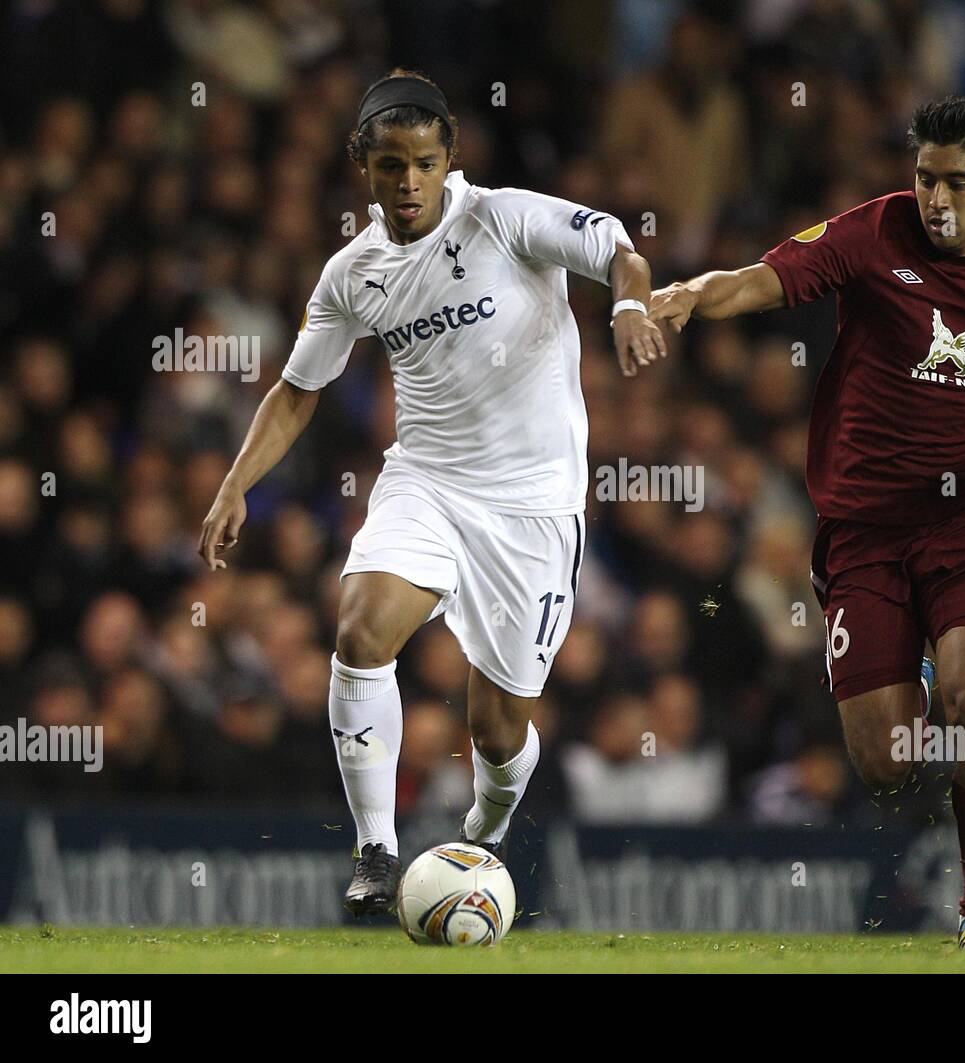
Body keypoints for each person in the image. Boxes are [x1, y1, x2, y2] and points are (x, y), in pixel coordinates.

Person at [650, 94, 965, 950]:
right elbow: (762, 278)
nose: (936, 199)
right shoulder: (871, 232)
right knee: (888, 762)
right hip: (863, 531)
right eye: (925, 177)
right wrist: (689, 294)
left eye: (958, 183)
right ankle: (919, 674)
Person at [198, 69, 665, 915]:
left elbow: (619, 253)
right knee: (361, 627)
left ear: (450, 156)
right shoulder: (353, 272)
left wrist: (629, 307)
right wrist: (235, 483)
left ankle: (485, 827)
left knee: (498, 724)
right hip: (429, 481)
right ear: (363, 167)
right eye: (389, 166)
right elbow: (299, 389)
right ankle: (376, 849)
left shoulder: (506, 217)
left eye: (422, 162)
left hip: (532, 505)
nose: (407, 181)